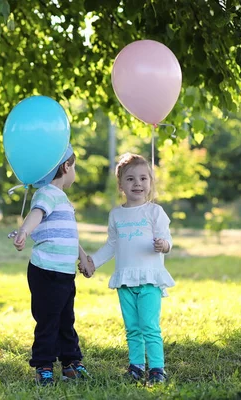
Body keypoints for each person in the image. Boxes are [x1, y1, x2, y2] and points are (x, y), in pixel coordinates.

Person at [81, 152, 174, 385]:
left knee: (150, 327)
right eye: (131, 179)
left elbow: (166, 240)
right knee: (132, 328)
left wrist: (163, 245)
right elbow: (112, 245)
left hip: (149, 279)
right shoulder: (116, 214)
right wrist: (92, 262)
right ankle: (136, 366)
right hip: (125, 280)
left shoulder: (155, 212)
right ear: (121, 184)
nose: (138, 184)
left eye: (144, 178)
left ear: (150, 182)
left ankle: (156, 369)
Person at [12, 144, 93, 386]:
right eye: (75, 166)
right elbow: (36, 213)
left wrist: (83, 257)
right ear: (66, 166)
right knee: (48, 320)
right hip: (46, 271)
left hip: (65, 273)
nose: (75, 171)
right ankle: (44, 366)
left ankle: (70, 363)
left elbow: (69, 235)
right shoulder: (46, 193)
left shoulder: (64, 200)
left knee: (66, 319)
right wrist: (24, 231)